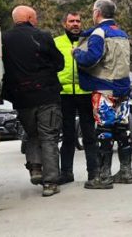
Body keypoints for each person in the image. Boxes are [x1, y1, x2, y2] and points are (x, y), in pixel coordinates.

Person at [2, 5, 64, 197]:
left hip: (21, 98)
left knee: (31, 134)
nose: (37, 21)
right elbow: (59, 63)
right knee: (49, 137)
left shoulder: (4, 39)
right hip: (46, 95)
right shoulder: (42, 36)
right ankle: (50, 182)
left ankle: (36, 169)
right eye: (35, 17)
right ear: (29, 17)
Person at [73, 0, 132, 189]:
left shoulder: (99, 33)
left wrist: (76, 53)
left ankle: (103, 177)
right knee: (122, 130)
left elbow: (92, 58)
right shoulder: (121, 33)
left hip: (105, 88)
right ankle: (125, 172)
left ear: (97, 12)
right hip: (123, 88)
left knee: (104, 131)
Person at [54, 11, 99, 185]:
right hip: (64, 94)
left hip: (86, 92)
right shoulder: (56, 42)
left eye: (78, 21)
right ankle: (66, 172)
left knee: (89, 135)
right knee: (68, 136)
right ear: (64, 23)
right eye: (71, 21)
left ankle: (93, 172)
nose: (75, 24)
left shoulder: (89, 42)